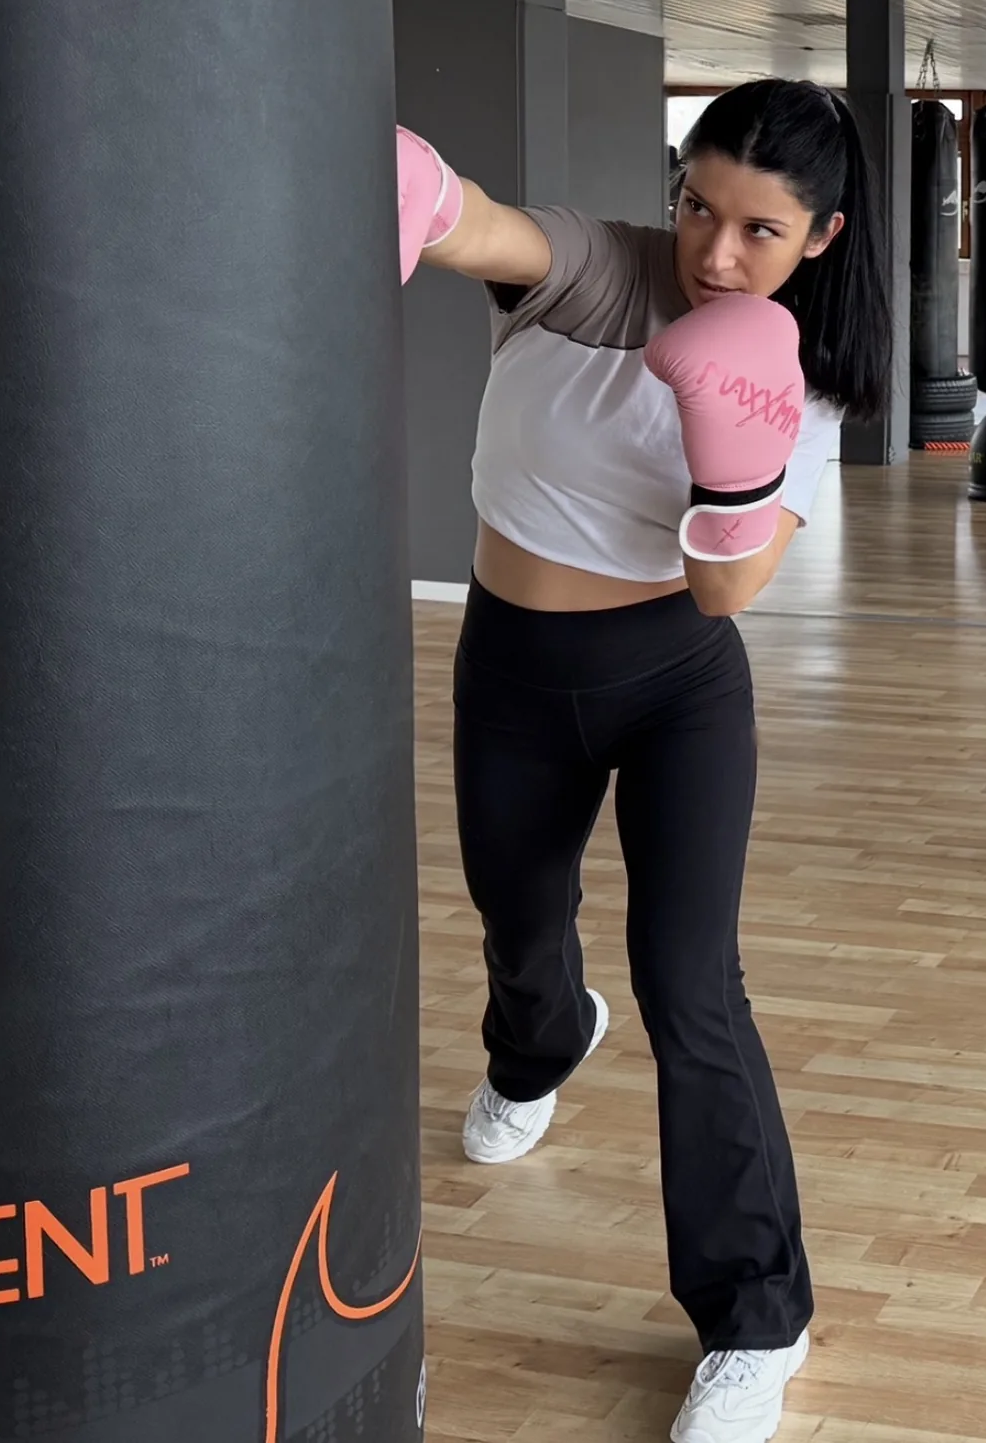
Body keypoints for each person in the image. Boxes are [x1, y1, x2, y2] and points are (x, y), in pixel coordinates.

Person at [397, 81, 892, 1443]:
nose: (714, 253)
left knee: (693, 981)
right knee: (517, 912)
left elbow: (734, 596)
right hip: (509, 665)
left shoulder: (802, 371)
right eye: (697, 205)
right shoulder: (605, 267)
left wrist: (735, 452)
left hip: (675, 682)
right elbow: (492, 232)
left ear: (822, 235)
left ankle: (756, 1318)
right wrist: (409, 191)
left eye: (759, 229)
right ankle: (544, 1041)